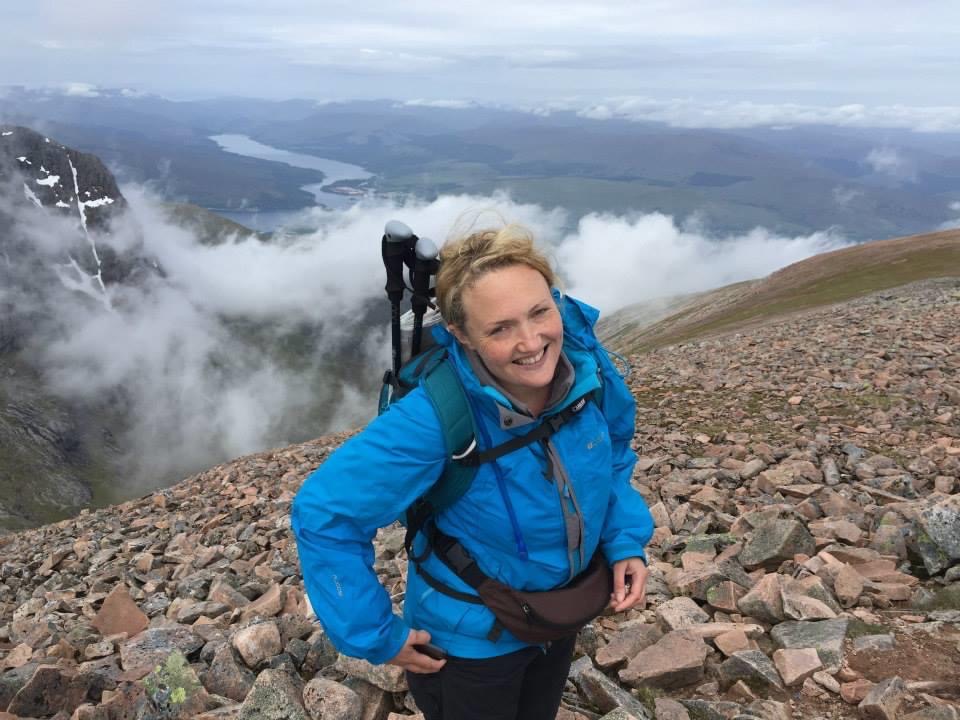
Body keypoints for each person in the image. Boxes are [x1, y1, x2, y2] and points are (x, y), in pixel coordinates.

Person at [292, 223, 654, 720]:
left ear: (554, 299)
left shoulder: (585, 368)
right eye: (500, 328)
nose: (531, 341)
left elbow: (610, 452)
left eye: (539, 312)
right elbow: (323, 512)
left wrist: (623, 539)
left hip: (560, 613)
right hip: (471, 644)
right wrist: (376, 635)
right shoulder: (434, 418)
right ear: (461, 334)